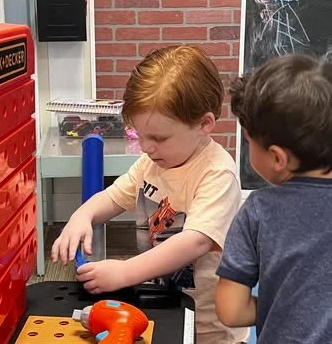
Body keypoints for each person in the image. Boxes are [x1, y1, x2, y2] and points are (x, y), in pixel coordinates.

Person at [52, 45, 249, 343]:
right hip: (162, 307)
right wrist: (83, 215)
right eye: (139, 134)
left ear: (204, 125)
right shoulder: (151, 162)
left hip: (209, 326)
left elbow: (194, 241)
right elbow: (113, 197)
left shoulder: (217, 173)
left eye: (158, 137)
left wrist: (125, 271)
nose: (146, 146)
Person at [215, 54, 332, 343]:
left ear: (277, 157)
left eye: (248, 142)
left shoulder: (258, 211)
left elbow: (231, 311)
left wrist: (286, 306)